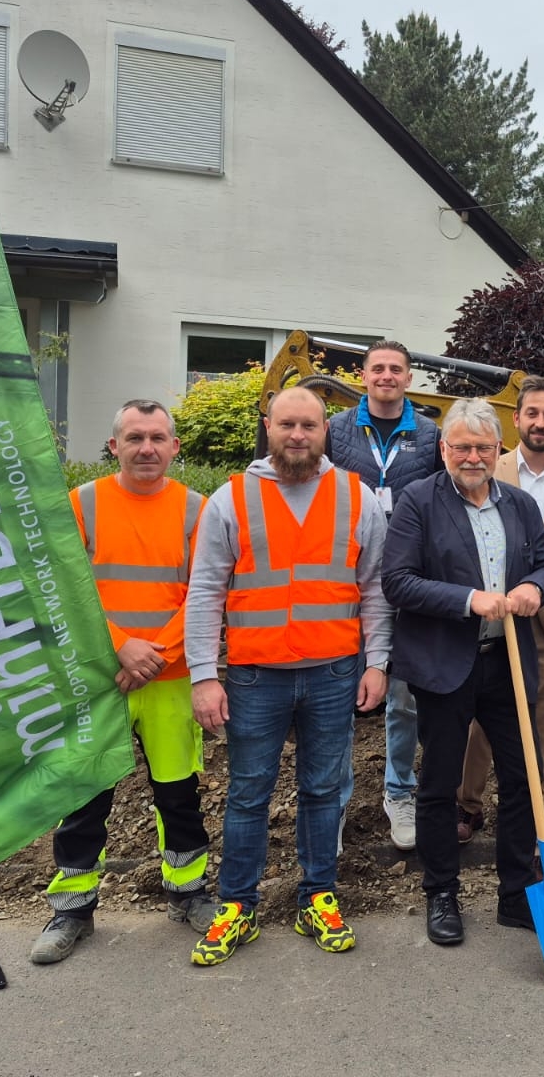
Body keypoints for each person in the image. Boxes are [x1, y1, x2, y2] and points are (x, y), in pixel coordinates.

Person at [183, 386, 390, 968]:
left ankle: (317, 897)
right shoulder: (231, 499)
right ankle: (237, 905)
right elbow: (204, 592)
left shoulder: (358, 497)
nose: (297, 436)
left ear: (327, 430)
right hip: (255, 677)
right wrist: (204, 674)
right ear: (267, 427)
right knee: (248, 794)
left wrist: (377, 663)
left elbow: (374, 588)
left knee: (324, 790)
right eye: (286, 425)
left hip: (333, 672)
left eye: (309, 426)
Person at [30, 400, 213, 965]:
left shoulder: (197, 510)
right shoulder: (80, 505)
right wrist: (120, 646)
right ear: (113, 446)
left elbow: (207, 594)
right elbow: (60, 590)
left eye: (158, 438)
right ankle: (72, 910)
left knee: (178, 795)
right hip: (99, 676)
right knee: (84, 797)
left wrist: (152, 655)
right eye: (134, 437)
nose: (147, 448)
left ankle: (188, 894)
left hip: (168, 677)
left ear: (175, 447)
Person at [382, 399, 544, 945]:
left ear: (498, 450)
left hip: (506, 662)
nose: (474, 457)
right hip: (443, 664)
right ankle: (442, 894)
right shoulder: (418, 501)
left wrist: (533, 587)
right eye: (462, 446)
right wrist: (469, 600)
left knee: (522, 778)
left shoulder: (520, 505)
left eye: (484, 447)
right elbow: (399, 582)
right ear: (444, 449)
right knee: (438, 784)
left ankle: (514, 895)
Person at [455, 375, 544, 844]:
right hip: (494, 624)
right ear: (516, 419)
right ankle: (467, 806)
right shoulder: (490, 468)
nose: (540, 421)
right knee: (482, 726)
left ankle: (540, 831)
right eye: (532, 413)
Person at [326, 340, 441, 852]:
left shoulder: (432, 433)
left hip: (405, 580)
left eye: (396, 369)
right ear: (363, 375)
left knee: (404, 699)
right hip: (344, 579)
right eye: (379, 369)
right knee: (338, 697)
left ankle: (400, 791)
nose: (387, 376)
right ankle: (334, 798)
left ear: (408, 377)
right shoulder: (336, 430)